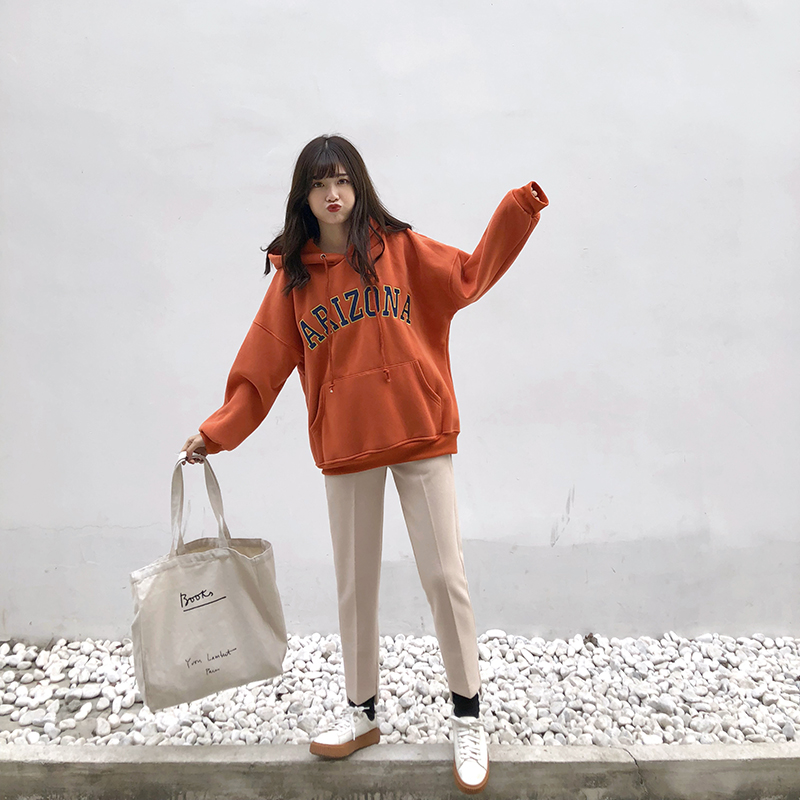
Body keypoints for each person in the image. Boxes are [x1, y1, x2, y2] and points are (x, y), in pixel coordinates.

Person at [182, 134, 548, 794]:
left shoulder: (400, 250)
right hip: (347, 445)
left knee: (445, 578)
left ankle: (468, 717)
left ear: (359, 187)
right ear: (304, 197)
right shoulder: (293, 281)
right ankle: (361, 713)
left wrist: (519, 209)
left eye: (343, 180)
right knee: (355, 586)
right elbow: (260, 370)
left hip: (421, 432)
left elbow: (468, 277)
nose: (333, 193)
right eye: (320, 183)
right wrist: (217, 432)